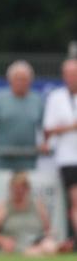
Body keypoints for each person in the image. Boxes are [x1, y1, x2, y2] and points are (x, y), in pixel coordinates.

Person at [0, 60, 47, 171]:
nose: (20, 83)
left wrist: (45, 142)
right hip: (3, 162)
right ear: (9, 80)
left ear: (30, 81)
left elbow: (46, 126)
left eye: (24, 79)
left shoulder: (37, 101)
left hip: (28, 162)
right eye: (17, 79)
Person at [42, 58, 77, 246]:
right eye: (69, 74)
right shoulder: (56, 98)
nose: (72, 78)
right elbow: (49, 129)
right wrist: (71, 127)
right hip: (68, 158)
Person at [0, 172, 61, 256]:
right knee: (40, 250)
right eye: (16, 188)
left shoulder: (38, 207)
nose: (19, 191)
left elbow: (47, 230)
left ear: (27, 189)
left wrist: (49, 236)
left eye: (22, 188)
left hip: (36, 243)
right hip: (15, 247)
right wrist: (2, 240)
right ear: (11, 189)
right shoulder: (2, 208)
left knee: (49, 245)